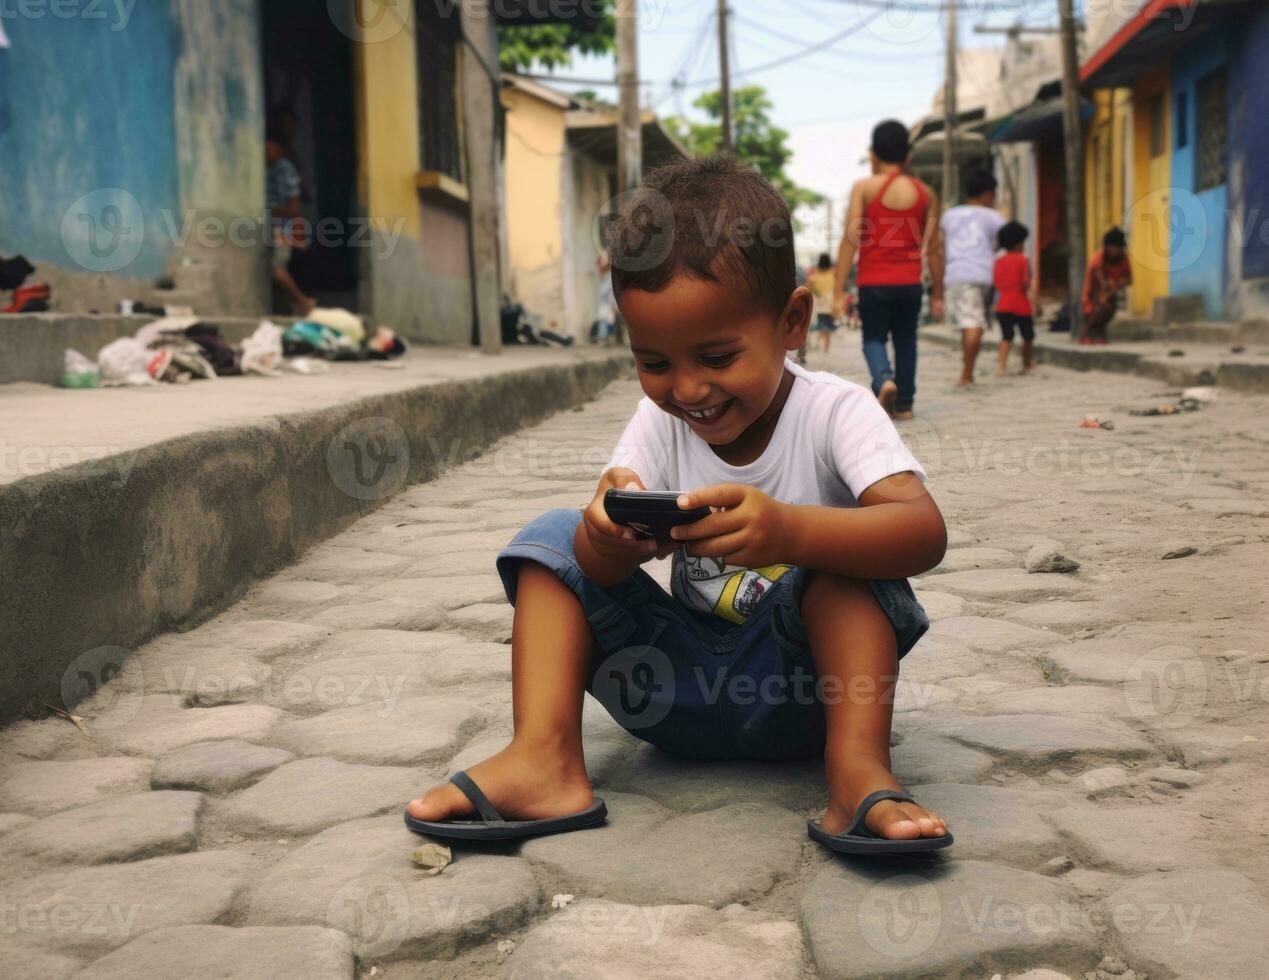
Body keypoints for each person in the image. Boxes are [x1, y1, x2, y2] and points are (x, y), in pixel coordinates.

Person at [405, 155, 952, 855]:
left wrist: (791, 530)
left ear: (790, 321)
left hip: (799, 702)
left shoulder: (834, 412)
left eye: (717, 357)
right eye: (655, 363)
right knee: (552, 535)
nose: (687, 390)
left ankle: (856, 775)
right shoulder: (658, 420)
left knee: (843, 564)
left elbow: (921, 532)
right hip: (669, 695)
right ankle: (543, 759)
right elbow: (593, 560)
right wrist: (607, 539)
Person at [833, 120, 943, 421]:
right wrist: (939, 294)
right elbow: (934, 248)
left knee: (874, 338)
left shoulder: (864, 188)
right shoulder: (926, 193)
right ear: (907, 158)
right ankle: (905, 404)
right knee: (907, 340)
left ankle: (884, 380)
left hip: (874, 282)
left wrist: (838, 289)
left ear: (873, 156)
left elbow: (850, 239)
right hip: (910, 283)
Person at [940, 170, 1005, 386]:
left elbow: (940, 245)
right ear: (987, 193)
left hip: (958, 274)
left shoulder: (949, 215)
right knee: (975, 323)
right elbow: (1004, 245)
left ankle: (966, 373)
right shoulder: (995, 217)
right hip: (986, 274)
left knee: (970, 323)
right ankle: (968, 370)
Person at [265, 132, 315, 317]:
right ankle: (294, 306)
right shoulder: (265, 169)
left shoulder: (285, 170)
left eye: (270, 149)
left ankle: (304, 301)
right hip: (268, 228)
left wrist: (268, 211)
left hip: (282, 228)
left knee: (278, 270)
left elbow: (294, 208)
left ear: (279, 150)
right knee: (272, 272)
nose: (266, 152)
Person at [992, 221, 1036, 375]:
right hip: (1021, 304)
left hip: (1003, 304)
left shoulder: (998, 261)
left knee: (1006, 336)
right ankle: (1027, 363)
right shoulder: (1023, 260)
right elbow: (1025, 282)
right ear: (1019, 243)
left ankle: (1001, 366)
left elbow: (996, 282)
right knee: (1028, 335)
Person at [1082, 228, 1132, 345]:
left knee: (1109, 309)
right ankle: (1088, 334)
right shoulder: (1098, 260)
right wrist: (1104, 291)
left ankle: (1099, 333)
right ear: (1109, 247)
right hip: (1093, 294)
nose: (1117, 251)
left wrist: (1118, 284)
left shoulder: (1123, 258)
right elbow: (1097, 278)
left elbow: (1129, 279)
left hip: (1110, 293)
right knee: (1098, 310)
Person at [806, 252, 839, 355]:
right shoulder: (834, 275)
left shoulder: (813, 277)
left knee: (818, 325)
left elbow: (808, 291)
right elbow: (837, 290)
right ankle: (826, 349)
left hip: (818, 305)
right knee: (827, 327)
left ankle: (817, 343)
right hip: (829, 304)